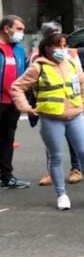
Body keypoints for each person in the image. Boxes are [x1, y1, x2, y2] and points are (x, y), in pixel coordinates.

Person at [10, 31, 84, 210]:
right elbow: (17, 87)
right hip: (51, 119)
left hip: (75, 116)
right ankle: (61, 194)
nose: (62, 49)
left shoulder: (70, 63)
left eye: (64, 45)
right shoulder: (38, 67)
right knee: (56, 157)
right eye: (58, 46)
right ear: (47, 48)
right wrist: (27, 108)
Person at [32, 22, 83, 187]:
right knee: (51, 141)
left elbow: (80, 76)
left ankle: (76, 169)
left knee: (73, 140)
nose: (58, 38)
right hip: (50, 107)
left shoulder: (70, 54)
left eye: (59, 33)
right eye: (53, 34)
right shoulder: (36, 56)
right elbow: (29, 82)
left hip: (70, 104)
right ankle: (51, 171)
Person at [0, 16, 29, 189]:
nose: (21, 33)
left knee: (7, 139)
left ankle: (6, 176)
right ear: (6, 28)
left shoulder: (18, 49)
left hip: (12, 102)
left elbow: (24, 73)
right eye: (18, 29)